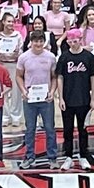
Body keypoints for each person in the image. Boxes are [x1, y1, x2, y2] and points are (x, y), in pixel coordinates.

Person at [56, 28, 94, 170]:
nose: (73, 44)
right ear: (67, 42)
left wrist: (93, 98)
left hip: (84, 100)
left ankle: (83, 156)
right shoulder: (64, 58)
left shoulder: (89, 57)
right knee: (67, 129)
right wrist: (60, 98)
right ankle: (68, 157)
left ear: (81, 40)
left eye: (76, 41)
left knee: (83, 129)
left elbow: (93, 78)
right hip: (67, 100)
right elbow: (60, 77)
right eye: (71, 41)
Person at [16, 31, 59, 169]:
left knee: (49, 129)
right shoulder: (23, 57)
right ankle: (29, 157)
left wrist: (52, 92)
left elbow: (54, 77)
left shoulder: (51, 57)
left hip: (46, 99)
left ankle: (52, 158)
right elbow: (18, 76)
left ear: (44, 42)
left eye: (41, 41)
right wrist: (23, 91)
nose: (38, 44)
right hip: (30, 99)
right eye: (36, 41)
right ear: (31, 42)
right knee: (30, 129)